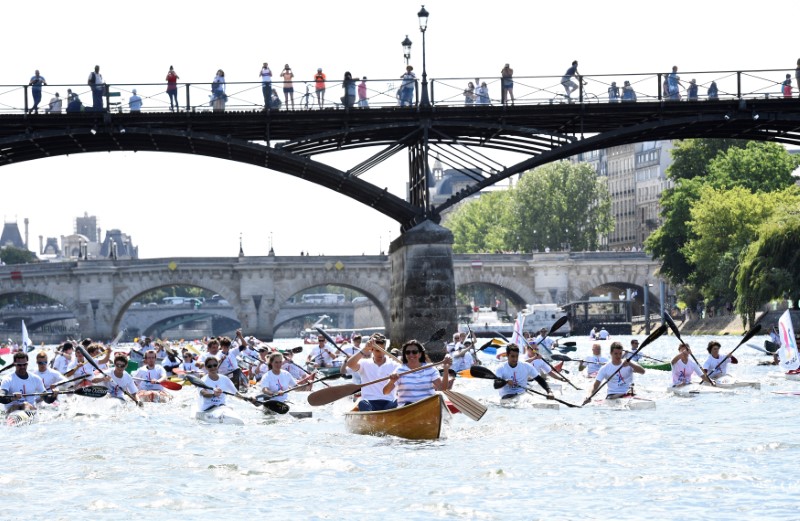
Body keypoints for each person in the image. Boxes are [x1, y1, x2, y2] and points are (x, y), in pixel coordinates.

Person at [383, 340, 450, 407]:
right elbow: (385, 392)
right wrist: (392, 381)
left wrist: (446, 369)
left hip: (428, 407)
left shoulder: (430, 368)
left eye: (414, 352)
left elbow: (442, 388)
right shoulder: (399, 370)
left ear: (420, 354)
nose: (411, 355)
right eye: (408, 352)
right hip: (407, 408)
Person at [346, 334, 399, 410]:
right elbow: (350, 364)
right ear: (371, 350)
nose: (381, 354)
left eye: (383, 350)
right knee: (363, 403)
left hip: (389, 401)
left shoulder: (394, 365)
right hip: (369, 402)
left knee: (399, 402)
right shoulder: (364, 363)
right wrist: (364, 349)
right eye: (377, 350)